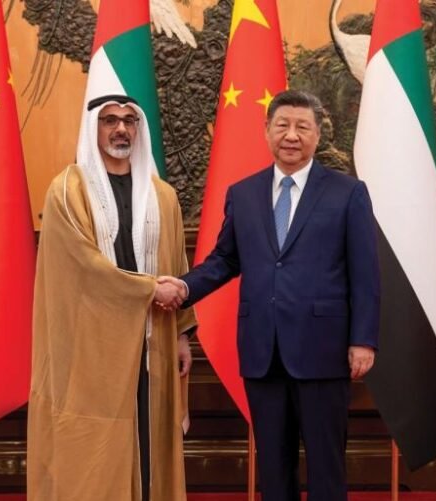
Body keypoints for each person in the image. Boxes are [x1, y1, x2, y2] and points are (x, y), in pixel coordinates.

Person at [159, 90, 380, 501]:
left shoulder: (348, 193)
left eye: (302, 127)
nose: (291, 135)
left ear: (317, 135)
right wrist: (184, 287)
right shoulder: (243, 194)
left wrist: (363, 340)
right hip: (263, 351)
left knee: (326, 465)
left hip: (324, 351)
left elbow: (365, 273)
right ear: (266, 131)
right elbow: (224, 260)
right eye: (282, 125)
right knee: (273, 466)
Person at [26, 94, 196, 501]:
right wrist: (148, 289)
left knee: (148, 433)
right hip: (91, 348)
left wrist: (183, 334)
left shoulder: (162, 195)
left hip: (153, 341)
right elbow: (84, 267)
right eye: (109, 121)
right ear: (94, 128)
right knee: (94, 446)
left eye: (128, 121)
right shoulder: (67, 191)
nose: (120, 129)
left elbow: (176, 262)